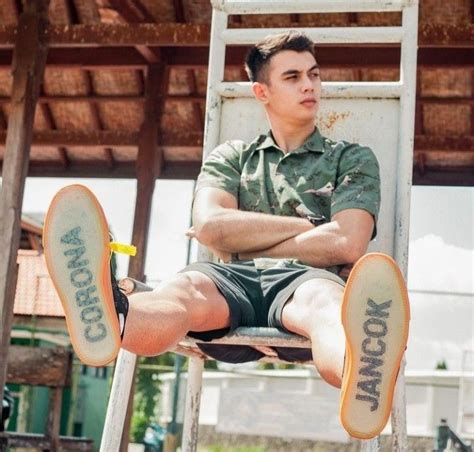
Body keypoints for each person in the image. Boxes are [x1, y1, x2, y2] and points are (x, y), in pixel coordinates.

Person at [43, 31, 410, 439]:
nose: (310, 85)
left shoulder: (351, 157)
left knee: (326, 307)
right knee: (181, 291)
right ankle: (115, 312)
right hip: (229, 283)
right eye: (292, 77)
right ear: (262, 91)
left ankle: (361, 369)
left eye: (314, 74)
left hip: (306, 282)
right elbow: (211, 226)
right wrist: (310, 228)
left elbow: (347, 242)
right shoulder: (232, 157)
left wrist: (243, 233)